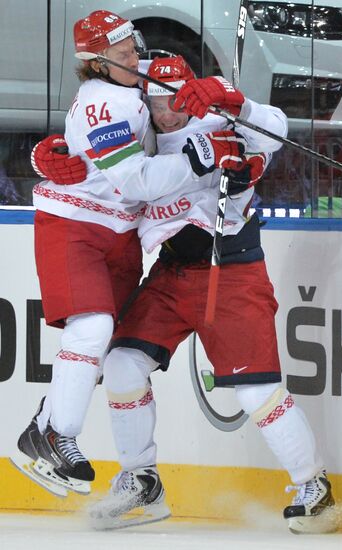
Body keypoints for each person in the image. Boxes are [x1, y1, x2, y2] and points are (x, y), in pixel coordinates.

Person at [78, 56, 329, 535]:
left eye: (174, 102)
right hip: (171, 272)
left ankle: (312, 485)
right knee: (121, 364)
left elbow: (276, 129)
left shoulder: (218, 116)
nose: (166, 112)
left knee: (255, 390)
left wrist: (238, 104)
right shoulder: (138, 130)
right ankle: (141, 480)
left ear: (189, 94)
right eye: (156, 103)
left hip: (231, 271)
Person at [11, 11, 244, 498]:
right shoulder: (103, 103)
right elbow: (134, 180)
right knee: (93, 329)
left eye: (133, 50)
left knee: (100, 343)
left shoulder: (130, 84)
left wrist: (221, 93)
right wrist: (198, 157)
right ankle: (56, 434)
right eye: (121, 57)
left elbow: (180, 80)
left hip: (120, 232)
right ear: (96, 64)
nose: (134, 61)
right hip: (76, 224)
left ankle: (46, 425)